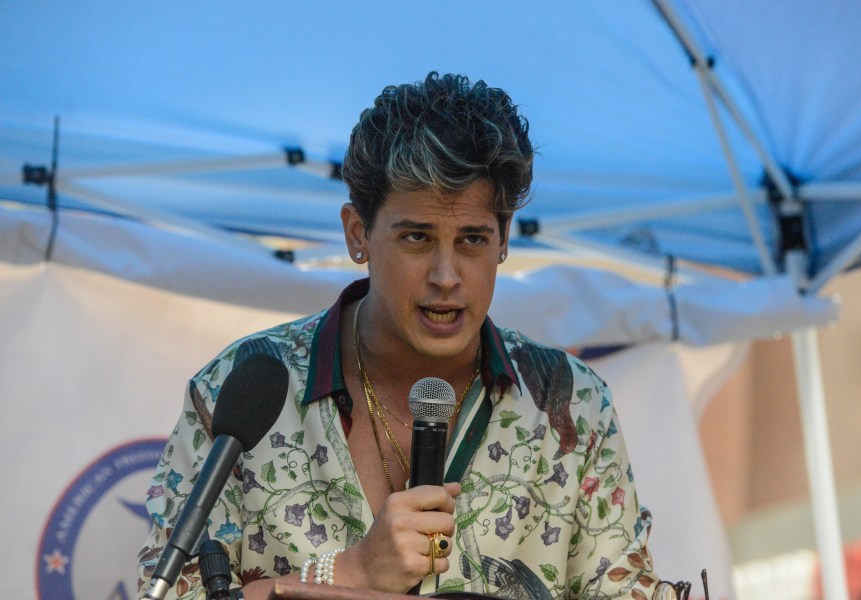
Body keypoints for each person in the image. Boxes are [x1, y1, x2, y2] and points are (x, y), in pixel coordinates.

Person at [138, 72, 659, 599]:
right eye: (417, 237)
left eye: (473, 239)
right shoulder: (246, 383)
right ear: (357, 234)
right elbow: (161, 593)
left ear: (503, 241)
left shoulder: (573, 402)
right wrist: (351, 572)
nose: (446, 275)